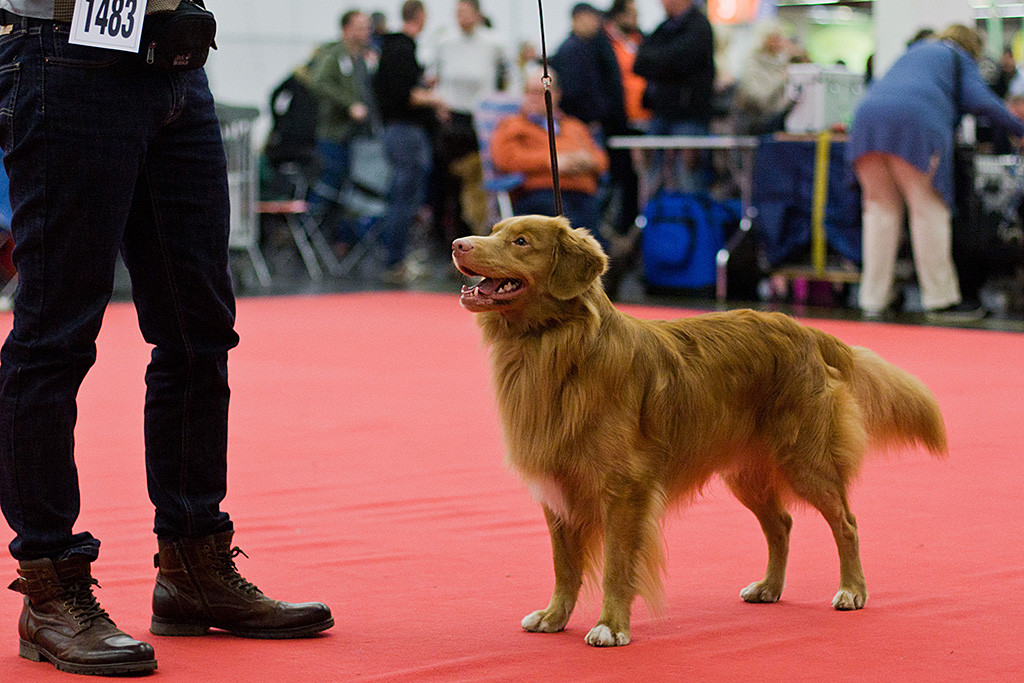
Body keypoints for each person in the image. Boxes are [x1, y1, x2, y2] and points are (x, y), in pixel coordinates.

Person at [0, 0, 334, 676]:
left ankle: (193, 562)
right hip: (64, 52)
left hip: (176, 60)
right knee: (54, 334)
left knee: (200, 331)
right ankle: (49, 585)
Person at [848, 24, 1024, 322]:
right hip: (915, 127)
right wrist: (1019, 130)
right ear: (973, 48)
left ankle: (873, 299)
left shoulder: (913, 52)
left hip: (865, 123)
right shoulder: (958, 57)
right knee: (928, 209)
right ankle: (940, 300)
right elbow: (981, 101)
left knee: (879, 212)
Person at [373, 0, 448, 282]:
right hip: (406, 133)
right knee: (405, 199)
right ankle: (395, 262)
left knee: (401, 196)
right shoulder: (403, 49)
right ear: (421, 16)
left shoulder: (389, 48)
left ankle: (396, 259)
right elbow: (406, 94)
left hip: (396, 132)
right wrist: (437, 98)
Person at [490, 63, 609, 233]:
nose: (535, 97)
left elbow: (601, 159)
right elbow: (505, 158)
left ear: (557, 94)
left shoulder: (574, 126)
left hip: (582, 191)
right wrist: (550, 162)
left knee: (590, 221)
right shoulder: (513, 125)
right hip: (538, 193)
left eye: (542, 92)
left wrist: (588, 161)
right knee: (571, 227)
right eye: (530, 92)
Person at [429, 0, 509, 242]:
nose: (461, 18)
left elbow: (506, 79)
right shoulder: (444, 42)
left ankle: (480, 236)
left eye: (466, 12)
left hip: (482, 122)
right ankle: (448, 239)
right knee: (450, 184)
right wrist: (438, 103)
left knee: (479, 183)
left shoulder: (494, 43)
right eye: (458, 13)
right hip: (452, 121)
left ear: (477, 14)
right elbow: (434, 77)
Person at [306, 9, 377, 255]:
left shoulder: (363, 58)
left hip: (355, 138)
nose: (365, 31)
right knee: (329, 187)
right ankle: (308, 238)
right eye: (360, 27)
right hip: (334, 135)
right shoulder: (334, 54)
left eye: (367, 26)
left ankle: (342, 241)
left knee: (349, 190)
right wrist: (349, 104)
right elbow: (317, 82)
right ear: (346, 29)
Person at [632, 0, 715, 192]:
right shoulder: (663, 28)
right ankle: (654, 218)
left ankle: (692, 219)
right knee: (651, 177)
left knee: (689, 177)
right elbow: (639, 63)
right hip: (660, 113)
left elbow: (678, 60)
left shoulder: (699, 26)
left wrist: (659, 62)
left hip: (689, 116)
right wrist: (665, 63)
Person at [733, 21, 800, 135]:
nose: (779, 43)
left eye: (780, 38)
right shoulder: (752, 63)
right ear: (763, 40)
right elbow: (758, 96)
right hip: (756, 124)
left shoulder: (784, 63)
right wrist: (780, 79)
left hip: (780, 122)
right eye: (774, 38)